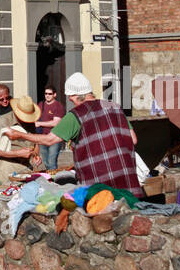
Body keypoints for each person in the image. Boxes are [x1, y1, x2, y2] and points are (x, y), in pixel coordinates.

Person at [8, 72, 141, 195]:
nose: (71, 102)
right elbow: (133, 139)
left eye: (70, 99)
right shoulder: (114, 107)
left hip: (100, 187)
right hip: (127, 183)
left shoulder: (75, 115)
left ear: (74, 96)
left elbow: (49, 140)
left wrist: (20, 135)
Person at [0, 95, 39, 187]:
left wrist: (36, 155)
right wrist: (19, 153)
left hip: (26, 167)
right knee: (7, 197)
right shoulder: (3, 121)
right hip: (6, 167)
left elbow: (35, 142)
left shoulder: (30, 123)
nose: (26, 120)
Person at [37, 86, 66, 172]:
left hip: (55, 137)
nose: (47, 95)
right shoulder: (40, 105)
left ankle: (54, 181)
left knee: (52, 162)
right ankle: (49, 178)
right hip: (43, 137)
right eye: (46, 93)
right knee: (46, 162)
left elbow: (55, 122)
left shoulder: (58, 106)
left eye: (50, 94)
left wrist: (39, 123)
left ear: (55, 95)